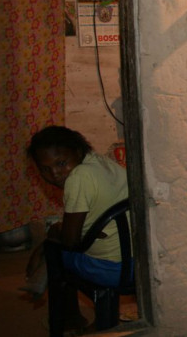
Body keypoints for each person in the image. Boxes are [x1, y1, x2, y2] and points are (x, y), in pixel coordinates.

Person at [27, 125, 130, 336]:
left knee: (54, 250)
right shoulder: (100, 161)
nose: (55, 174)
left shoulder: (77, 179)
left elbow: (70, 241)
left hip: (111, 268)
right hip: (134, 258)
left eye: (61, 163)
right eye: (45, 169)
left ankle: (67, 318)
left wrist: (54, 234)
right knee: (54, 241)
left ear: (77, 151)